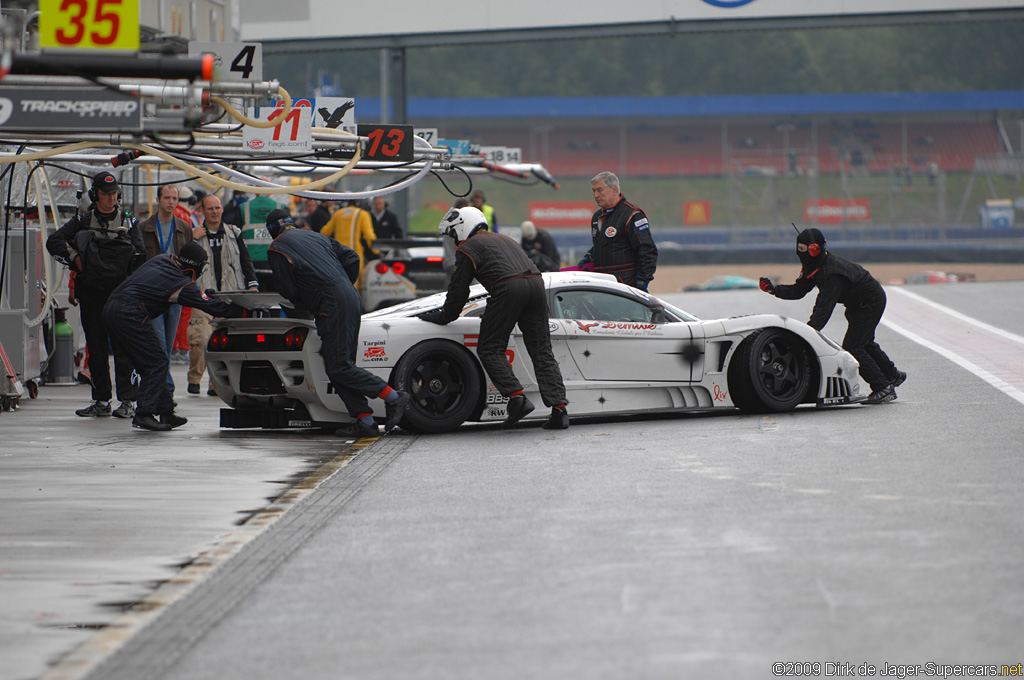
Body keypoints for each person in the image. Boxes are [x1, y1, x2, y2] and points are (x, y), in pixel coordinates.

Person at [265, 208, 411, 437]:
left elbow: (288, 289)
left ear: (272, 230)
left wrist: (308, 303)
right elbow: (352, 257)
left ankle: (394, 397)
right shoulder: (316, 235)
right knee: (340, 366)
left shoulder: (277, 248)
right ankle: (365, 421)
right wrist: (343, 284)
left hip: (330, 303)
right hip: (350, 296)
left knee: (339, 366)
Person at [419, 206, 569, 430]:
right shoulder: (504, 239)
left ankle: (517, 398)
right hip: (537, 285)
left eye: (453, 234)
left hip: (509, 288)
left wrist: (445, 317)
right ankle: (560, 411)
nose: (453, 240)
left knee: (490, 348)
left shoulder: (467, 247)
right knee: (541, 350)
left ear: (462, 227)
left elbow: (459, 289)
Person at [102, 242, 245, 431]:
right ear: (195, 266)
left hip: (111, 308)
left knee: (149, 363)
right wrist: (242, 309)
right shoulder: (182, 283)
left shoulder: (163, 259)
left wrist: (205, 295)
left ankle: (166, 411)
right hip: (129, 314)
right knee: (157, 362)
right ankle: (144, 414)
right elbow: (213, 307)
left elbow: (197, 294)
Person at [759, 227, 907, 404]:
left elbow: (823, 308)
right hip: (856, 304)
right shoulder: (812, 265)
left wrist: (808, 333)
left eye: (804, 250)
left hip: (870, 302)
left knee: (854, 346)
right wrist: (774, 290)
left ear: (815, 249)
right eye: (799, 250)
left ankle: (883, 388)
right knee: (865, 342)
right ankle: (892, 375)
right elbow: (800, 289)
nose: (801, 254)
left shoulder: (831, 273)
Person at [46, 171, 143, 419]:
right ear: (95, 195)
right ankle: (101, 399)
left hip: (121, 295)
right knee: (96, 348)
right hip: (91, 295)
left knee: (123, 348)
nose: (112, 198)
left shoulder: (128, 221)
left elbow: (141, 255)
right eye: (106, 194)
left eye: (114, 194)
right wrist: (76, 258)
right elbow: (54, 241)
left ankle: (128, 401)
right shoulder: (83, 220)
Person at [187, 194, 259, 396]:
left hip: (229, 296)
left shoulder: (234, 232)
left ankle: (215, 384)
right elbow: (181, 260)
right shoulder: (194, 234)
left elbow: (246, 261)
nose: (215, 212)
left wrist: (252, 286)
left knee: (223, 342)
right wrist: (192, 238)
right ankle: (194, 378)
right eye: (210, 209)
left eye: (218, 208)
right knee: (200, 339)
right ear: (203, 210)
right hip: (202, 296)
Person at [139, 183, 194, 400]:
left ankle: (161, 389)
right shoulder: (144, 228)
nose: (171, 202)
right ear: (158, 200)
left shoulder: (184, 228)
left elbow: (191, 262)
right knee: (160, 345)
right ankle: (166, 391)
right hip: (153, 295)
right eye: (167, 198)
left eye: (174, 198)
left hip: (175, 294)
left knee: (168, 346)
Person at [577, 171, 658, 291]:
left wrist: (642, 280)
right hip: (602, 285)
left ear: (614, 190)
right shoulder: (597, 217)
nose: (596, 195)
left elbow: (647, 250)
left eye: (600, 190)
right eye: (594, 191)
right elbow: (606, 245)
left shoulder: (632, 214)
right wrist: (590, 256)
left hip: (626, 285)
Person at [320, 199, 378, 274]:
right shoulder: (362, 214)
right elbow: (369, 235)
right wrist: (376, 251)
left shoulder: (338, 213)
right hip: (354, 252)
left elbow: (324, 232)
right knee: (355, 279)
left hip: (338, 253)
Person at [238, 191, 279, 290]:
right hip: (274, 262)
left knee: (255, 301)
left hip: (251, 263)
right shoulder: (280, 207)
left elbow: (236, 235)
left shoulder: (244, 207)